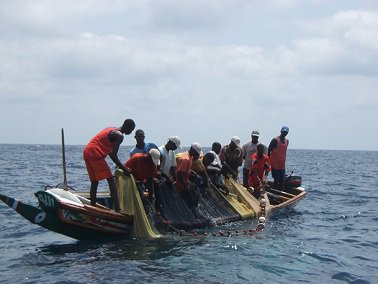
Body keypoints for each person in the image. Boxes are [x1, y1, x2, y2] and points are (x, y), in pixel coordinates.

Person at [83, 119, 135, 212]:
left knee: (94, 182)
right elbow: (114, 155)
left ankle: (92, 206)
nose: (130, 133)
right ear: (127, 127)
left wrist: (121, 166)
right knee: (111, 180)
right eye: (131, 130)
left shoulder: (111, 128)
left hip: (87, 151)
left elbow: (111, 154)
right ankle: (118, 209)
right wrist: (124, 169)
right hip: (95, 153)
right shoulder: (119, 136)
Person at [175, 143, 203, 215]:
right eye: (197, 153)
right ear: (192, 150)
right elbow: (179, 173)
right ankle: (188, 217)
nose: (197, 155)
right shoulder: (186, 159)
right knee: (187, 202)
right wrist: (185, 187)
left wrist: (195, 174)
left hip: (186, 183)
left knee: (195, 195)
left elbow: (187, 169)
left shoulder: (190, 156)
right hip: (180, 186)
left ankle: (193, 213)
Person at [268, 126, 289, 190]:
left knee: (282, 180)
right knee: (276, 178)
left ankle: (280, 192)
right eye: (283, 132)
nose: (284, 133)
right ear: (281, 131)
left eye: (285, 132)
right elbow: (269, 150)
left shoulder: (287, 141)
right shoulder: (275, 140)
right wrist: (267, 161)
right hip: (274, 163)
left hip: (282, 164)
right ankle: (274, 191)